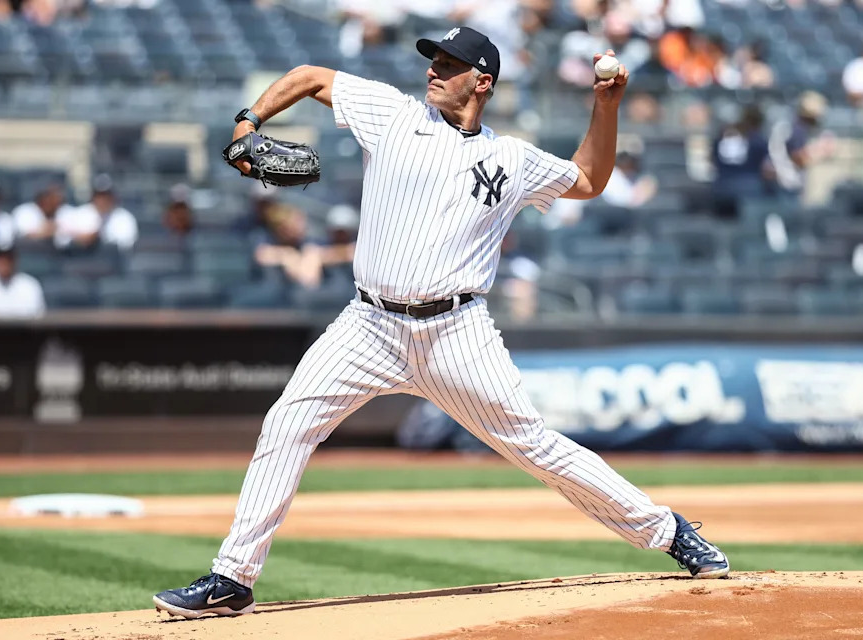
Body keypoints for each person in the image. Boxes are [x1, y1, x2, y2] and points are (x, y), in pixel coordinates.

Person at [153, 27, 729, 619]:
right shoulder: (395, 116)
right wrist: (249, 122)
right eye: (434, 59)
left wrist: (605, 109)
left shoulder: (510, 157)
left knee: (535, 447)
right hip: (368, 325)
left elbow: (588, 179)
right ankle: (232, 579)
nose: (434, 69)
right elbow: (310, 76)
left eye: (450, 63)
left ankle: (669, 531)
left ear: (482, 82)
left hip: (458, 333)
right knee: (286, 425)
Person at [768, 91, 835, 201]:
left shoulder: (795, 126)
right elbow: (799, 158)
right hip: (786, 183)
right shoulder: (798, 129)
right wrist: (820, 151)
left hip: (785, 181)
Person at [711, 105, 770, 218]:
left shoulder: (719, 139)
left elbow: (712, 161)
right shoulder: (758, 141)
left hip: (721, 187)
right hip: (749, 190)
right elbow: (765, 169)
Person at [56, 174, 139, 250]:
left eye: (106, 196)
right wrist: (81, 238)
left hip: (112, 262)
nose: (102, 200)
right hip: (83, 260)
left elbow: (127, 246)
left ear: (113, 197)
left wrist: (99, 238)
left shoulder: (124, 218)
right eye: (99, 196)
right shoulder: (81, 213)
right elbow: (62, 240)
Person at [0, 245, 46, 320]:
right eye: (0, 258)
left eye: (8, 258)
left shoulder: (30, 285)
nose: (4, 262)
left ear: (15, 260)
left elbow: (39, 319)